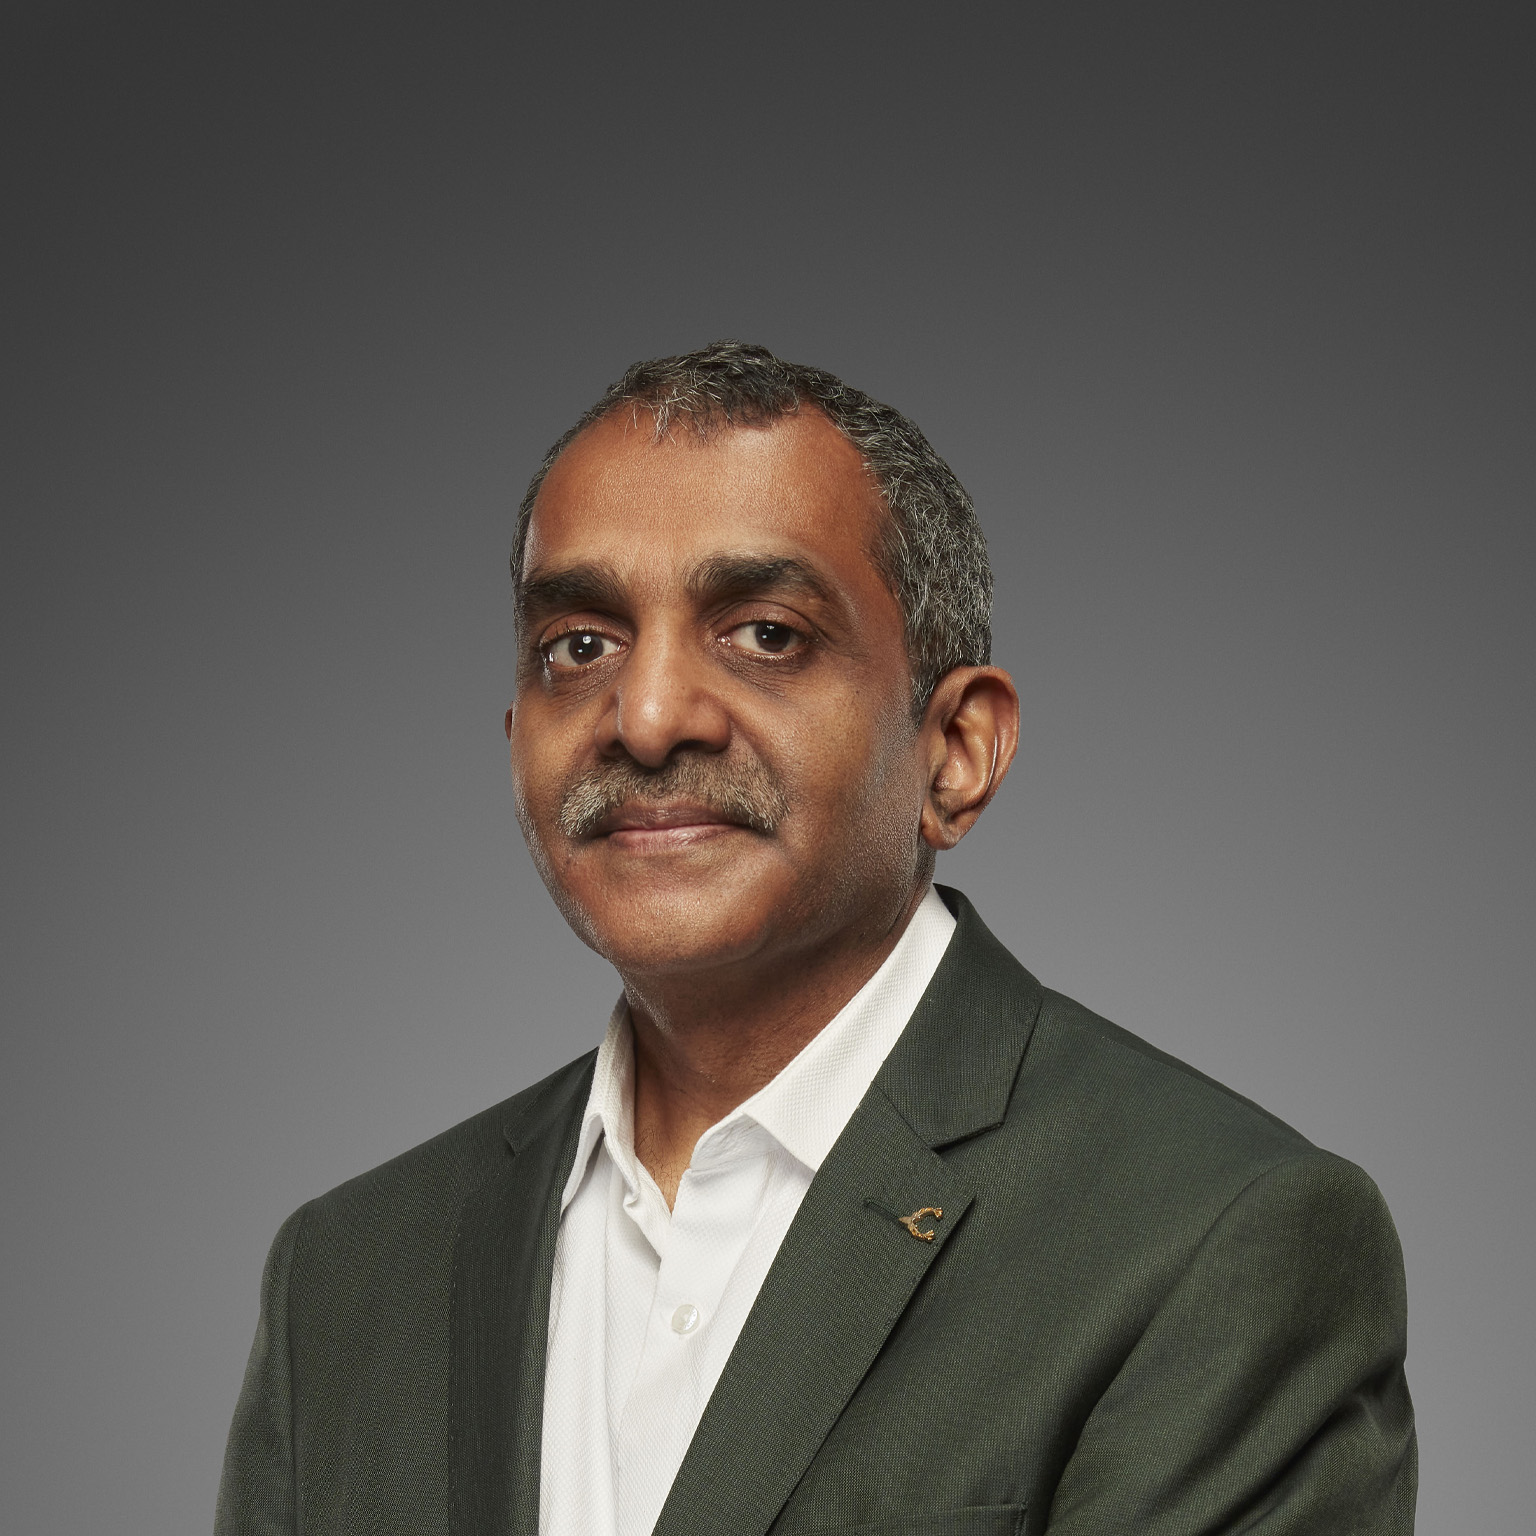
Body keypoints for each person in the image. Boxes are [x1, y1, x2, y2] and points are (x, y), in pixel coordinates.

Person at [216, 341, 1416, 1535]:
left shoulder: (1214, 1240)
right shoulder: (347, 1276)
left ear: (956, 751)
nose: (645, 717)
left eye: (766, 634)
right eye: (579, 646)